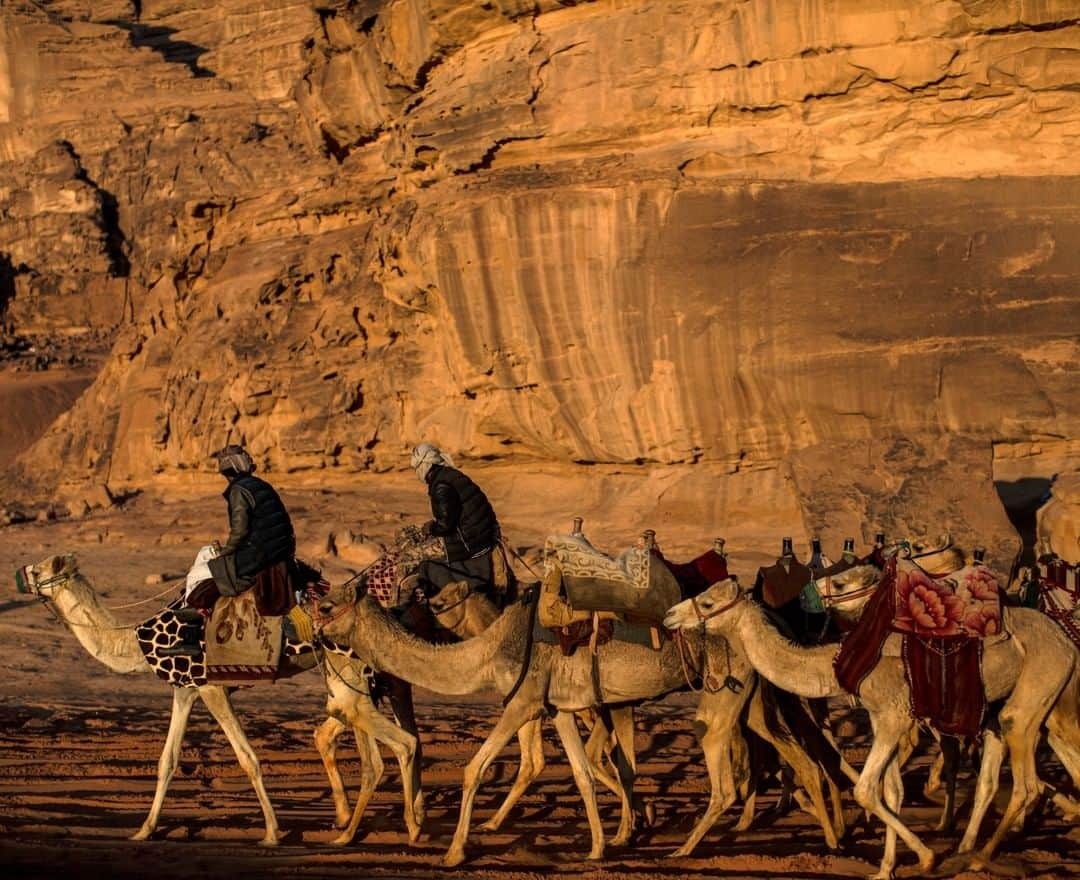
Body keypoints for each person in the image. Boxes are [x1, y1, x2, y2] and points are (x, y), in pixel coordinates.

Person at [163, 445, 296, 655]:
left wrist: (228, 552)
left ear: (226, 470)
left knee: (197, 574)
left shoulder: (239, 490)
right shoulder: (260, 485)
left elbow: (240, 530)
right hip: (276, 551)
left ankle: (191, 631)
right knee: (206, 552)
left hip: (259, 558)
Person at [405, 443, 510, 605]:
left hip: (470, 543)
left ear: (424, 465)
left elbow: (446, 525)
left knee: (414, 561)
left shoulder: (441, 486)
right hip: (480, 535)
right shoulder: (449, 475)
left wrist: (430, 528)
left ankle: (424, 607)